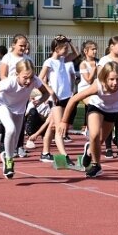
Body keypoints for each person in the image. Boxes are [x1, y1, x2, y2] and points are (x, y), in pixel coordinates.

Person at [0, 59, 49, 178]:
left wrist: (40, 100)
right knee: (10, 129)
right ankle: (8, 161)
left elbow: (46, 93)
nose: (28, 81)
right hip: (3, 105)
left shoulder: (35, 80)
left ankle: (7, 154)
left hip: (19, 109)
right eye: (25, 77)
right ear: (17, 74)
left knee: (15, 142)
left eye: (31, 77)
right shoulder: (9, 82)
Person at [60, 61, 118, 178]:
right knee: (94, 135)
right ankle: (96, 166)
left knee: (99, 141)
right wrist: (64, 121)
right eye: (111, 79)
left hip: (113, 110)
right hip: (97, 107)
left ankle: (89, 150)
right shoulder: (97, 86)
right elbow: (73, 99)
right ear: (105, 78)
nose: (115, 83)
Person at [39, 35, 79, 165]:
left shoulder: (63, 60)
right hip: (55, 99)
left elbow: (76, 53)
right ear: (56, 49)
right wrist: (50, 91)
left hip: (65, 97)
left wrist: (68, 41)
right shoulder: (49, 62)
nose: (67, 50)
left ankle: (45, 153)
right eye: (64, 48)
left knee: (51, 126)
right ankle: (64, 156)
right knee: (59, 128)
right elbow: (39, 79)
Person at [0, 35, 31, 155]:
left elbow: (31, 76)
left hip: (22, 94)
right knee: (7, 120)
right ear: (13, 45)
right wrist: (10, 86)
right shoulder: (7, 58)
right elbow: (2, 75)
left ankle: (19, 146)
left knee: (21, 120)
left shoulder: (28, 59)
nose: (23, 48)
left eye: (24, 45)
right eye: (20, 45)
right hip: (9, 92)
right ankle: (3, 144)